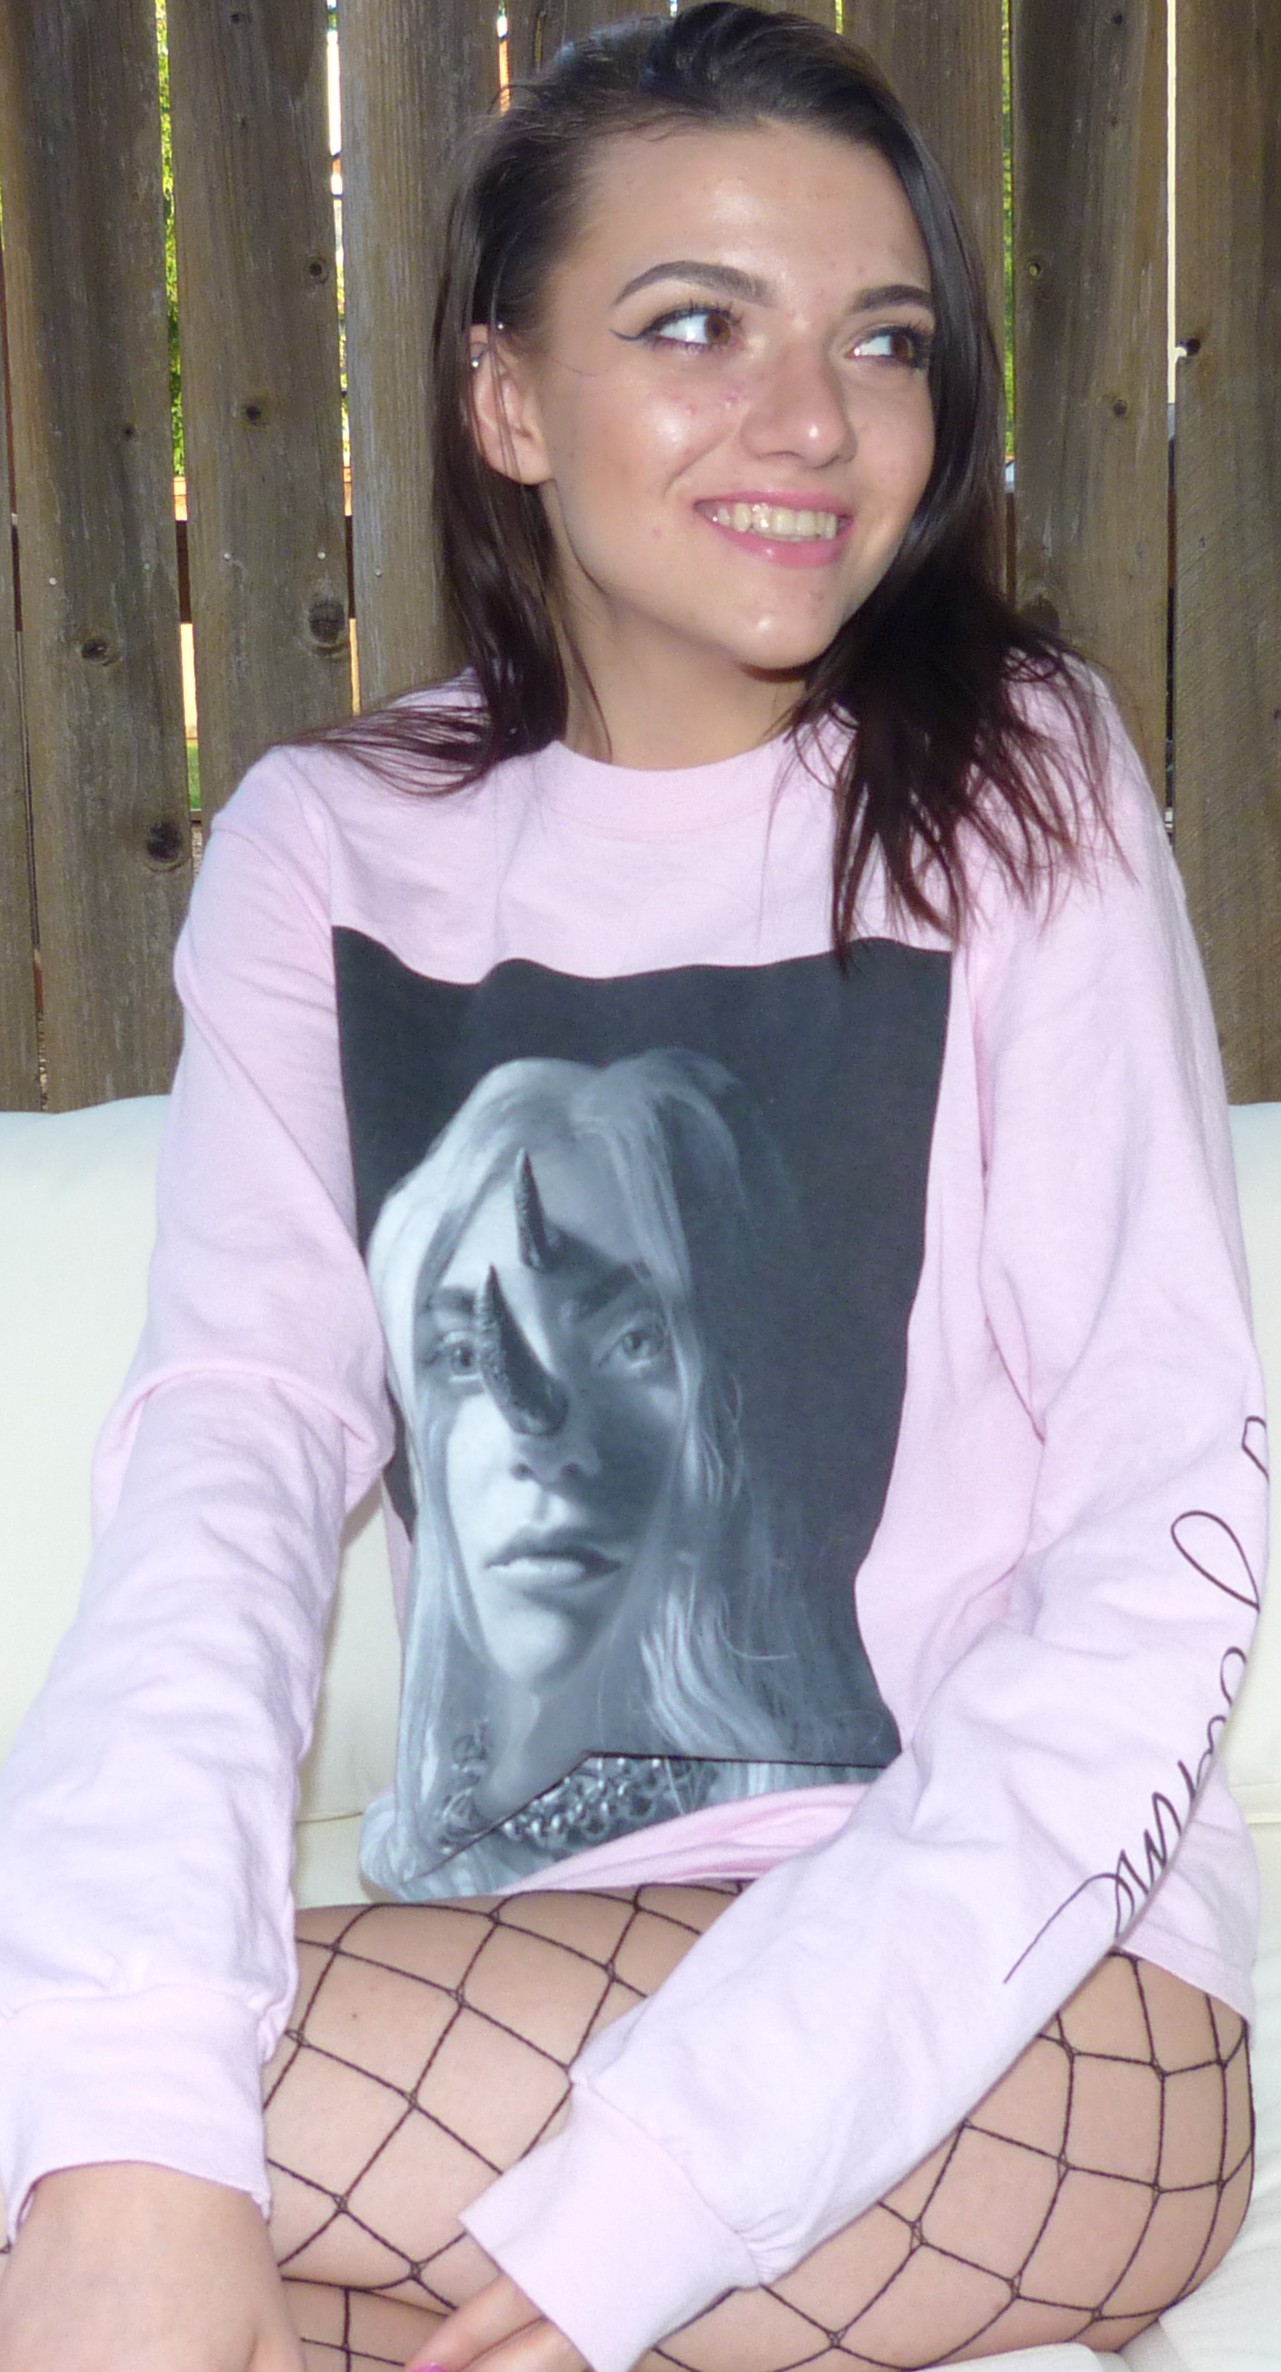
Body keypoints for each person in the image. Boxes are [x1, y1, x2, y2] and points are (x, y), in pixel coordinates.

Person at [0, 7, 1265, 2371]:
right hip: (510, 1953)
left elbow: (1166, 1498)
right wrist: (132, 2112)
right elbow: (231, 1462)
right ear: (505, 397)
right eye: (696, 325)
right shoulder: (333, 850)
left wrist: (670, 2176)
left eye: (879, 340)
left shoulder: (1020, 784)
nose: (813, 419)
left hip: (1023, 2015)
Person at [361, 1049, 897, 1898]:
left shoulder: (868, 1837)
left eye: (633, 1341)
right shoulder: (417, 1843)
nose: (542, 1443)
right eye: (462, 1356)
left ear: (739, 1393)